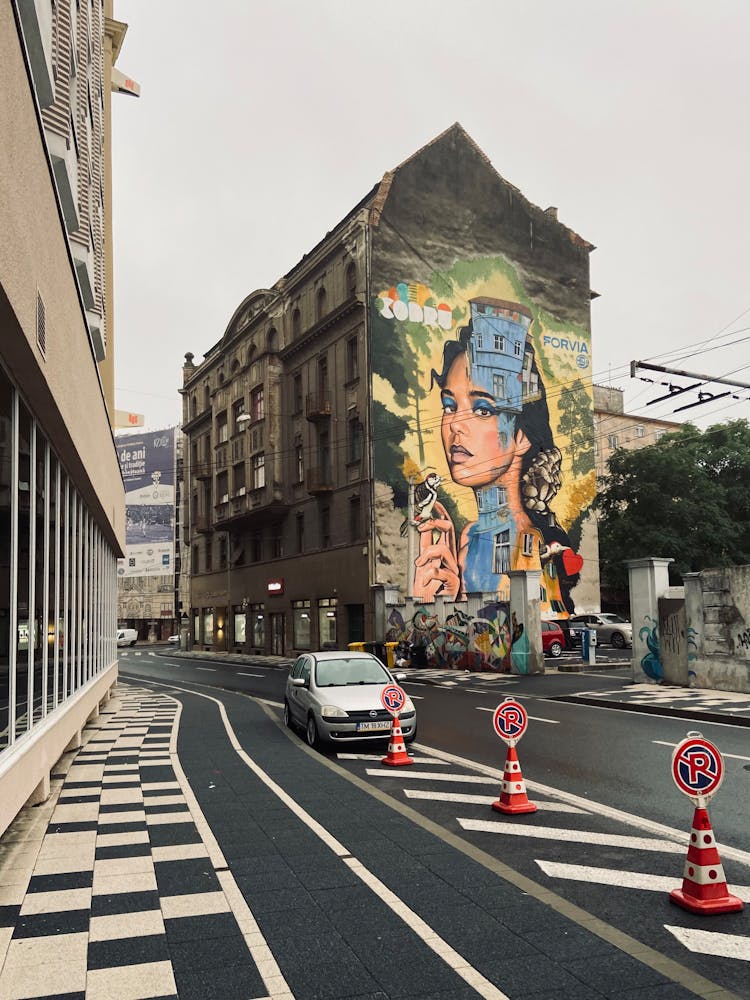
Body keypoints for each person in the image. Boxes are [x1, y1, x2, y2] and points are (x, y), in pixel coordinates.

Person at [411, 297, 581, 615]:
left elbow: (517, 615)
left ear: (521, 436)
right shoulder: (469, 535)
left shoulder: (528, 543)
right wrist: (439, 599)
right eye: (449, 406)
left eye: (483, 409)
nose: (455, 425)